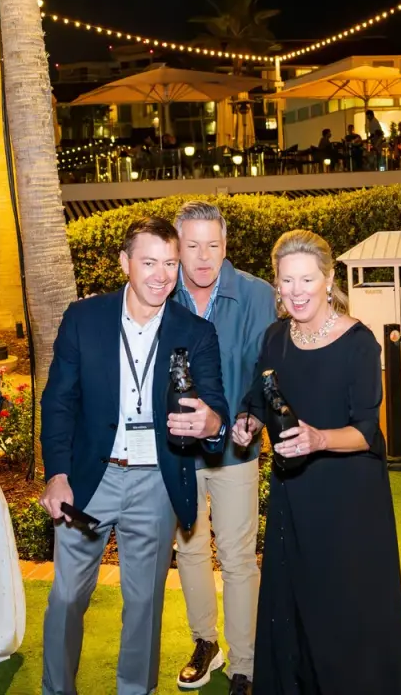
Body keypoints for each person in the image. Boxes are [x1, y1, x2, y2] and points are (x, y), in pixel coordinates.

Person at [39, 216, 231, 695]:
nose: (161, 275)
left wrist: (211, 422)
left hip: (155, 483)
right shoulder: (84, 318)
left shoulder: (196, 332)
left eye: (170, 263)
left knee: (143, 604)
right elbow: (59, 402)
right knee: (65, 597)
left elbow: (217, 408)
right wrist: (57, 475)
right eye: (149, 262)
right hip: (89, 479)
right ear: (125, 263)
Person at [230, 230, 401, 694]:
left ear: (328, 279)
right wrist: (248, 422)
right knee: (294, 604)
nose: (295, 291)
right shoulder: (275, 337)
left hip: (349, 499)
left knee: (344, 609)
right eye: (286, 281)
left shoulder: (358, 343)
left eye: (306, 280)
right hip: (294, 494)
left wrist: (316, 439)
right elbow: (259, 397)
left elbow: (365, 432)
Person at [171, 202, 277, 695]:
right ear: (177, 246)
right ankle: (204, 643)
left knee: (236, 557)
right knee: (189, 550)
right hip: (176, 454)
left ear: (226, 244)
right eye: (192, 245)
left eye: (212, 244)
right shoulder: (160, 291)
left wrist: (251, 416)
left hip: (236, 448)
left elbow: (268, 368)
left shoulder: (256, 294)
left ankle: (246, 663)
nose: (203, 257)